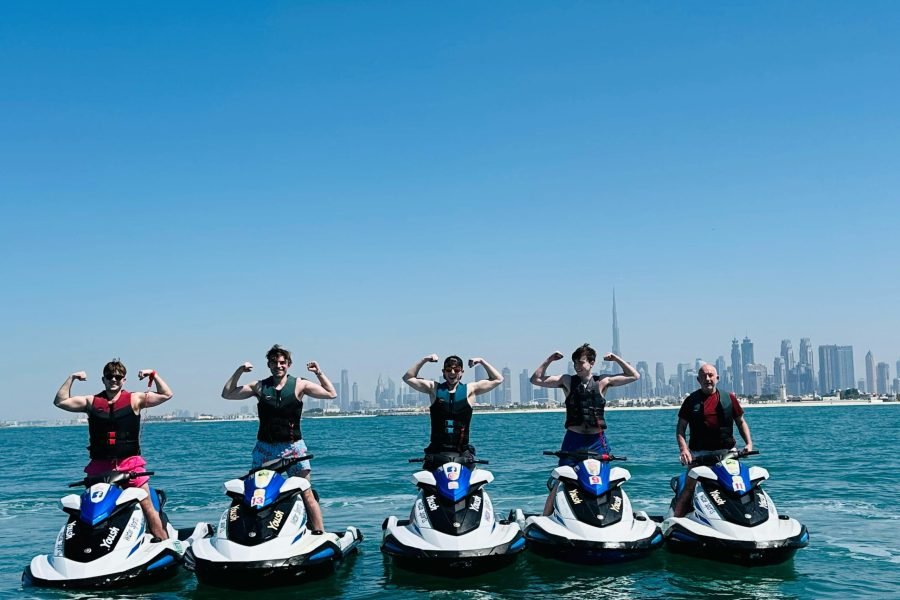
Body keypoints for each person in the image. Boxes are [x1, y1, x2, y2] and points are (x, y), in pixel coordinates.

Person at [54, 360, 174, 540]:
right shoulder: (91, 401)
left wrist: (153, 375)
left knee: (146, 504)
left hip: (130, 464)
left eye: (118, 377)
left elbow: (166, 394)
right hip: (100, 466)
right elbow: (60, 401)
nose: (114, 380)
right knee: (92, 508)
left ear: (124, 380)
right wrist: (72, 378)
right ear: (103, 379)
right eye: (110, 377)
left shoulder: (135, 399)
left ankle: (166, 543)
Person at [221, 344, 335, 533]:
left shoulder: (300, 384)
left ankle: (319, 532)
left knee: (306, 492)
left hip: (293, 448)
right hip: (264, 449)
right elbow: (227, 394)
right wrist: (240, 371)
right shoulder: (259, 386)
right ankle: (255, 532)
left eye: (282, 362)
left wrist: (319, 373)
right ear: (269, 365)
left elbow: (331, 393)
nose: (278, 366)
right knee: (256, 494)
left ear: (288, 364)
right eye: (274, 363)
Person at [530, 343, 640, 515]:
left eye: (581, 362)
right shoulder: (567, 380)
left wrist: (616, 358)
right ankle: (545, 517)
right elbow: (535, 379)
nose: (577, 366)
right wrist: (550, 359)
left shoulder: (602, 381)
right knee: (561, 479)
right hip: (574, 439)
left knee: (603, 480)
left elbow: (634, 375)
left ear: (591, 363)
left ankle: (607, 515)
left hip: (597, 441)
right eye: (575, 363)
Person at [672, 363, 753, 517]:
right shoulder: (691, 400)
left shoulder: (729, 398)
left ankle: (746, 517)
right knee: (689, 489)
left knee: (739, 485)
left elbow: (741, 422)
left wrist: (748, 444)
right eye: (703, 376)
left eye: (710, 375)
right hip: (700, 454)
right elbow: (681, 428)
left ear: (717, 378)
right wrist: (684, 450)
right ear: (698, 379)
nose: (707, 378)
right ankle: (675, 521)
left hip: (728, 453)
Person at [402, 354, 503, 471]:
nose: (452, 372)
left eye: (457, 369)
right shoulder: (434, 388)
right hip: (437, 452)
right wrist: (425, 359)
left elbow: (498, 379)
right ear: (443, 372)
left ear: (462, 372)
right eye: (449, 370)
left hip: (462, 452)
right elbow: (408, 378)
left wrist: (481, 361)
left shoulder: (470, 389)